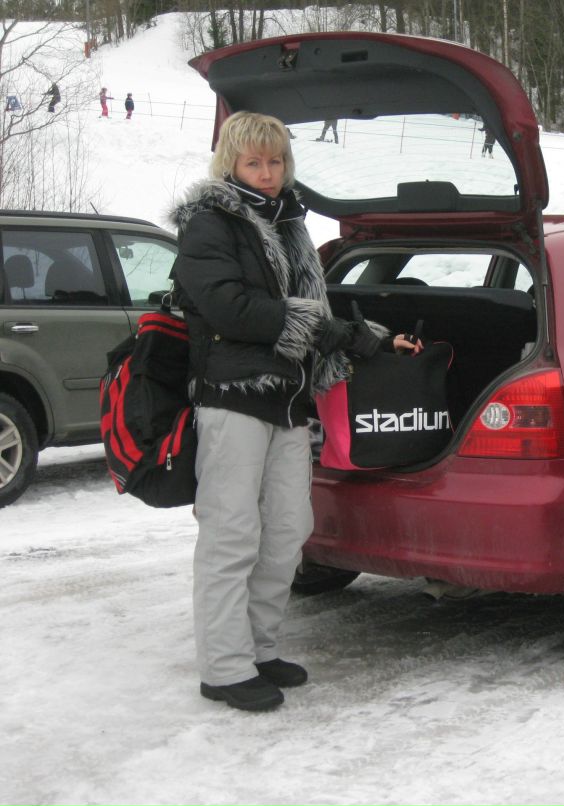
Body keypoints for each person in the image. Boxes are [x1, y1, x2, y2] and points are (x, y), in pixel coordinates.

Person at [169, 111, 421, 712]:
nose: (267, 173)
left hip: (286, 400)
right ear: (230, 162)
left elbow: (310, 309)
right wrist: (320, 326)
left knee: (287, 530)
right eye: (254, 162)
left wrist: (374, 340)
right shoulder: (210, 224)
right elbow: (232, 309)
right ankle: (225, 668)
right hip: (231, 398)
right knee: (232, 533)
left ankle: (259, 649)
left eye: (276, 161)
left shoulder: (290, 226)